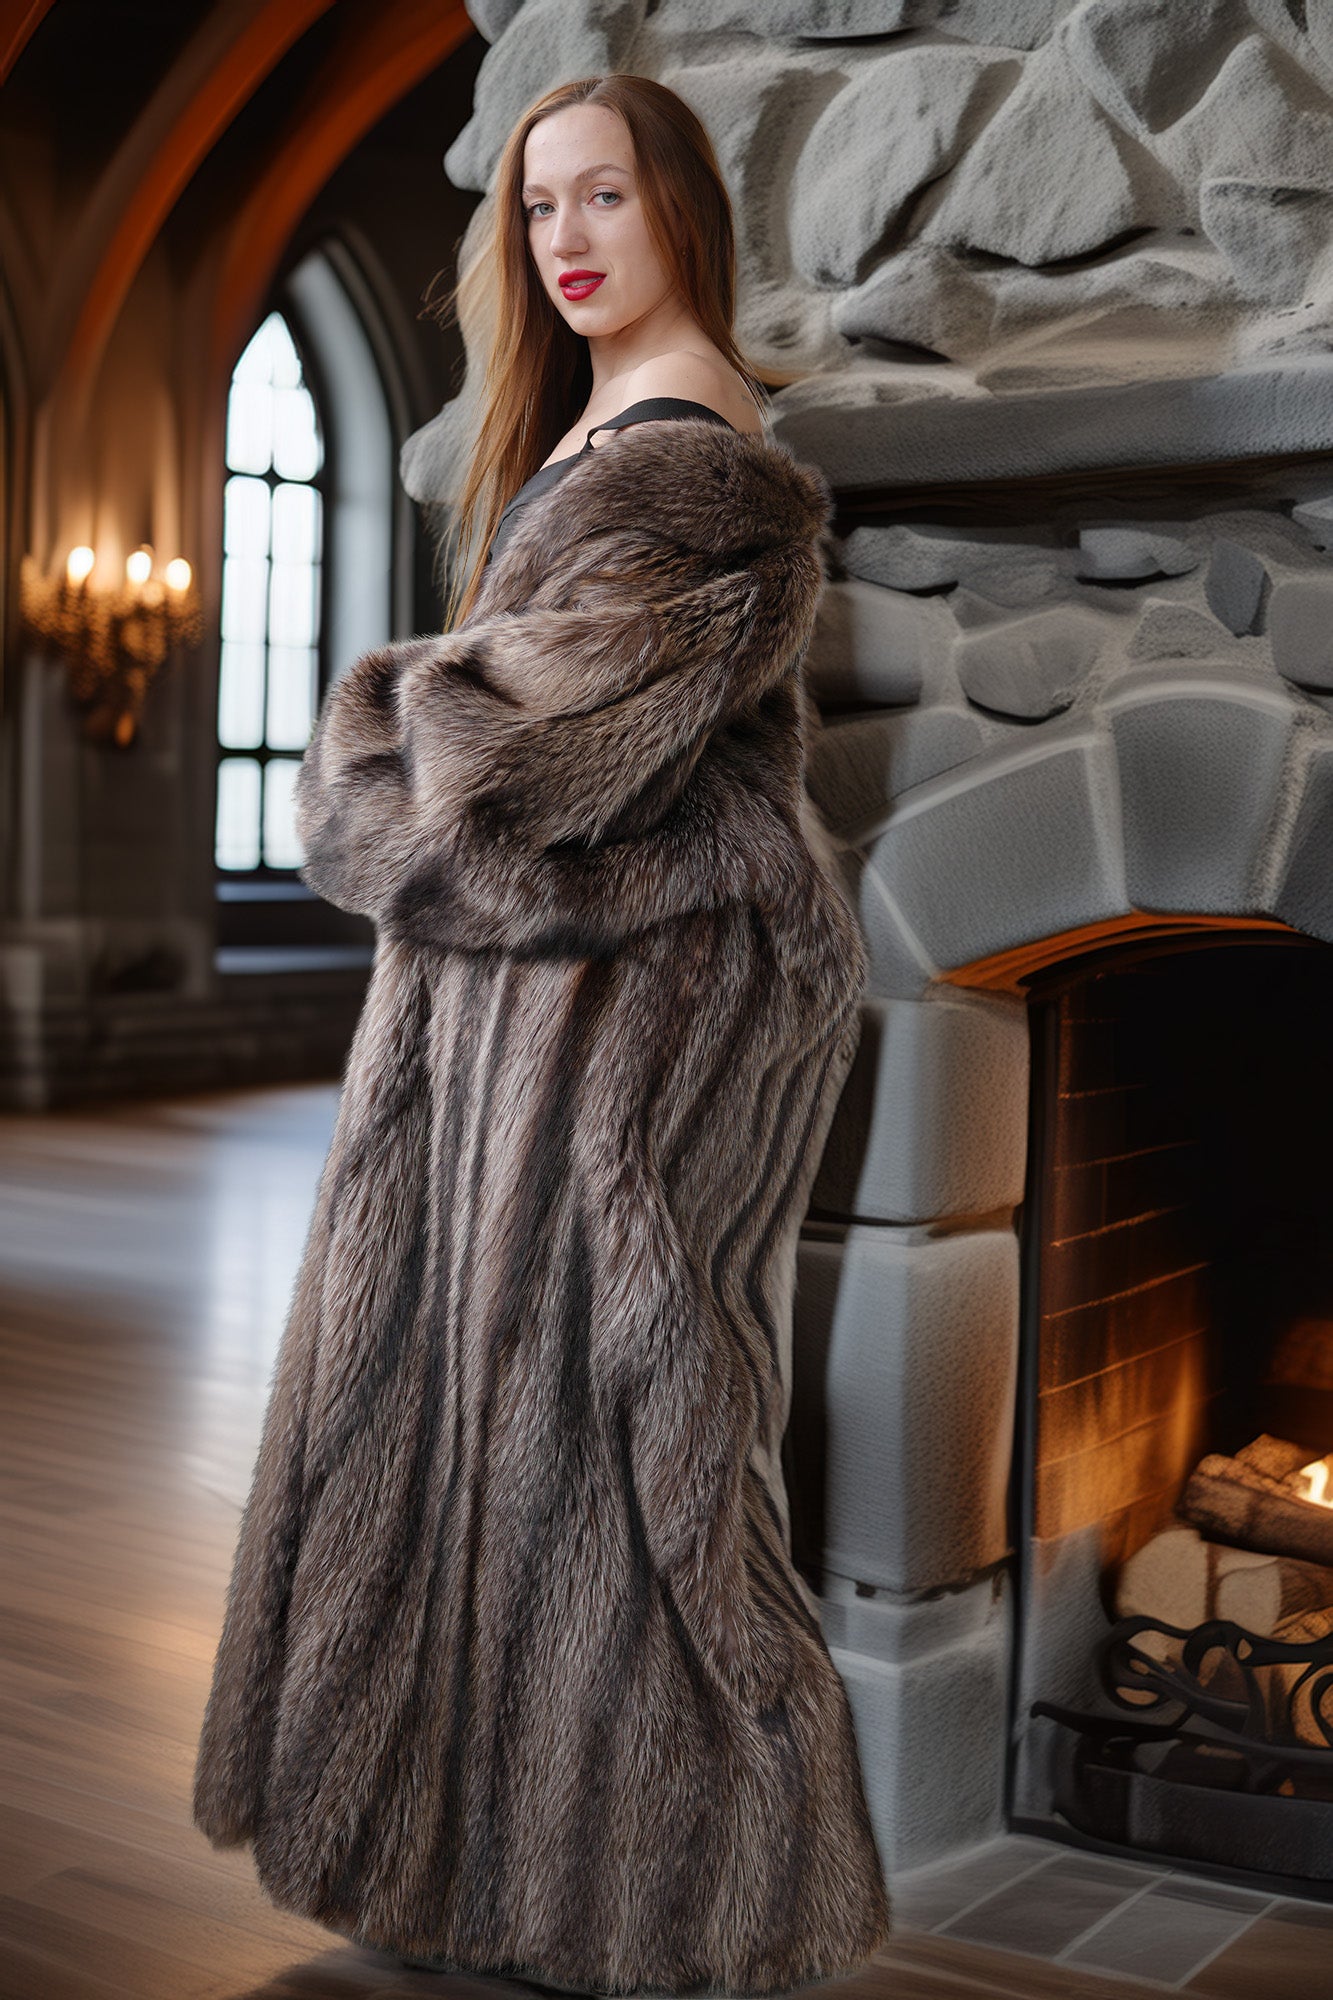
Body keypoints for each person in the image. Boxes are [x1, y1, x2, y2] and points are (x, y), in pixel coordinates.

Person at [192, 71, 891, 1997]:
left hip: (633, 1018)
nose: (567, 242)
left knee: (629, 1443)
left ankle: (709, 1882)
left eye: (604, 199)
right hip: (530, 1004)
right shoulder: (591, 435)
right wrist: (419, 785)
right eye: (537, 210)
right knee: (499, 1437)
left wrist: (374, 747)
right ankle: (508, 1871)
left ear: (684, 210)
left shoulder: (696, 471)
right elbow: (478, 778)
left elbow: (477, 768)